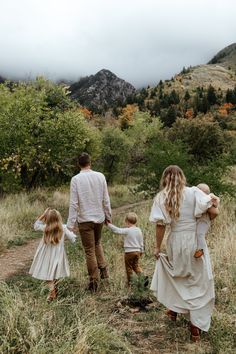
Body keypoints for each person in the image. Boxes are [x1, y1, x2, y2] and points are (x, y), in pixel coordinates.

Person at [149, 165, 219, 342]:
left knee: (179, 276)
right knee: (197, 280)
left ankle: (173, 310)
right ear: (182, 177)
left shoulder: (162, 197)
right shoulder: (194, 192)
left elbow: (160, 225)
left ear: (165, 178)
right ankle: (195, 328)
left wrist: (157, 248)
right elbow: (212, 211)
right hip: (195, 241)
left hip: (175, 241)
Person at [67, 152, 112, 292]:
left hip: (85, 219)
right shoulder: (100, 176)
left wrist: (70, 224)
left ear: (78, 164)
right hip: (99, 218)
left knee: (89, 250)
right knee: (97, 244)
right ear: (90, 162)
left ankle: (94, 282)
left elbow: (74, 204)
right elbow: (106, 198)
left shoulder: (76, 179)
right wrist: (108, 215)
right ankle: (104, 271)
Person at [29, 208, 77, 301]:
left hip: (46, 255)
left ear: (47, 219)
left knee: (48, 274)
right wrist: (72, 235)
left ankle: (52, 292)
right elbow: (72, 238)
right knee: (55, 272)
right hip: (58, 255)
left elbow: (36, 225)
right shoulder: (63, 228)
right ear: (59, 218)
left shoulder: (45, 227)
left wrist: (43, 215)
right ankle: (54, 291)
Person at [107, 212, 147, 286]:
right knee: (136, 266)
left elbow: (117, 230)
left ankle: (130, 283)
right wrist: (142, 251)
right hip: (137, 252)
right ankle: (143, 277)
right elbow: (141, 241)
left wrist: (109, 224)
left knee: (128, 268)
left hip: (129, 252)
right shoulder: (139, 230)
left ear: (127, 222)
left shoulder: (128, 230)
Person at [194, 183, 220, 258]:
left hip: (204, 221)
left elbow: (215, 211)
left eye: (205, 192)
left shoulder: (207, 200)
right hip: (202, 221)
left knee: (200, 234)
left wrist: (210, 218)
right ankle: (198, 249)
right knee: (198, 234)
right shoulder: (199, 200)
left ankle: (200, 249)